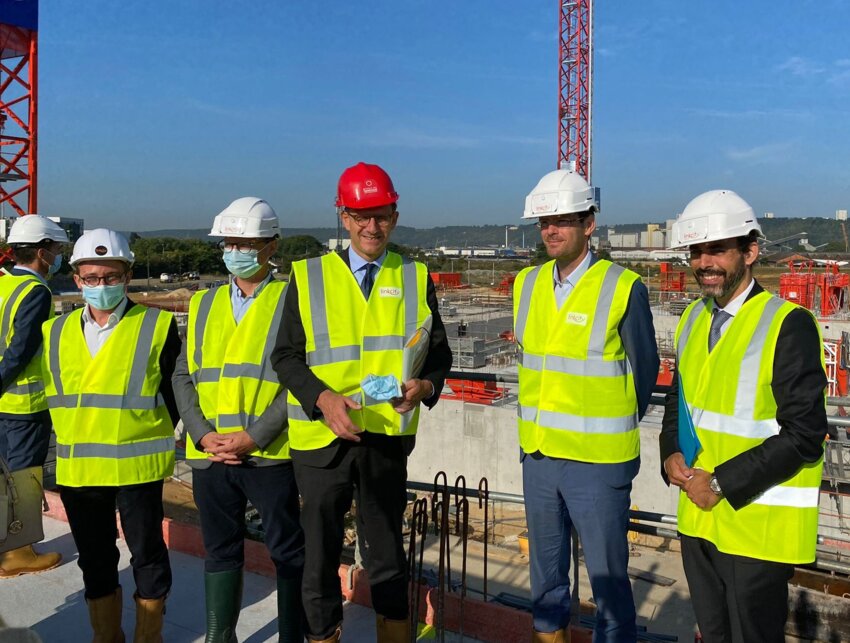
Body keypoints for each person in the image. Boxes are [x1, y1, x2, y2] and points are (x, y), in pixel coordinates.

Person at [271, 162, 452, 643]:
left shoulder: (414, 275)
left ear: (395, 216)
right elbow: (285, 356)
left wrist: (426, 387)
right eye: (361, 216)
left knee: (388, 556)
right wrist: (323, 399)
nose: (372, 226)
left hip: (385, 440)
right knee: (319, 557)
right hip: (321, 439)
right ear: (344, 217)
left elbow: (439, 355)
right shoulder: (308, 276)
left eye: (382, 215)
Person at [660, 190, 829, 643]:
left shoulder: (787, 324)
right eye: (696, 252)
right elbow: (679, 400)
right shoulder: (693, 318)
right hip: (699, 521)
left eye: (717, 249)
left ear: (750, 252)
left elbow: (805, 434)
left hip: (755, 529)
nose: (704, 263)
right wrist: (669, 452)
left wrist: (719, 484)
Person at [513, 169, 659, 643]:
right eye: (544, 222)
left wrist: (602, 425)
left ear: (589, 224)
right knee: (546, 586)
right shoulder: (526, 284)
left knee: (609, 587)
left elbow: (644, 374)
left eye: (562, 220)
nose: (551, 230)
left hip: (597, 463)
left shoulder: (623, 287)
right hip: (539, 456)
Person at [172, 197, 305, 642]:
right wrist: (201, 433)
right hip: (210, 456)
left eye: (246, 243)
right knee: (220, 549)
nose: (236, 251)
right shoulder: (203, 303)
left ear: (271, 246)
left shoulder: (291, 300)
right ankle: (220, 635)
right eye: (229, 243)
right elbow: (183, 373)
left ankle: (291, 635)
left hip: (268, 455)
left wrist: (255, 436)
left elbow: (300, 379)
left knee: (287, 550)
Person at [41, 229, 181, 642]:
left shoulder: (156, 325)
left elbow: (172, 395)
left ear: (127, 276)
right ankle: (106, 636)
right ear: (77, 279)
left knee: (148, 556)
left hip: (137, 466)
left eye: (110, 276)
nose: (100, 285)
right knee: (95, 560)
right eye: (91, 277)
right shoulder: (54, 331)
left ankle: (148, 636)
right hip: (80, 470)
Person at [0, 215, 69, 578]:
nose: (58, 256)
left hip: (3, 405)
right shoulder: (35, 291)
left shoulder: (3, 284)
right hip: (24, 404)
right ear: (42, 252)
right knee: (25, 477)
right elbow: (20, 350)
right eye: (56, 249)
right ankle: (18, 554)